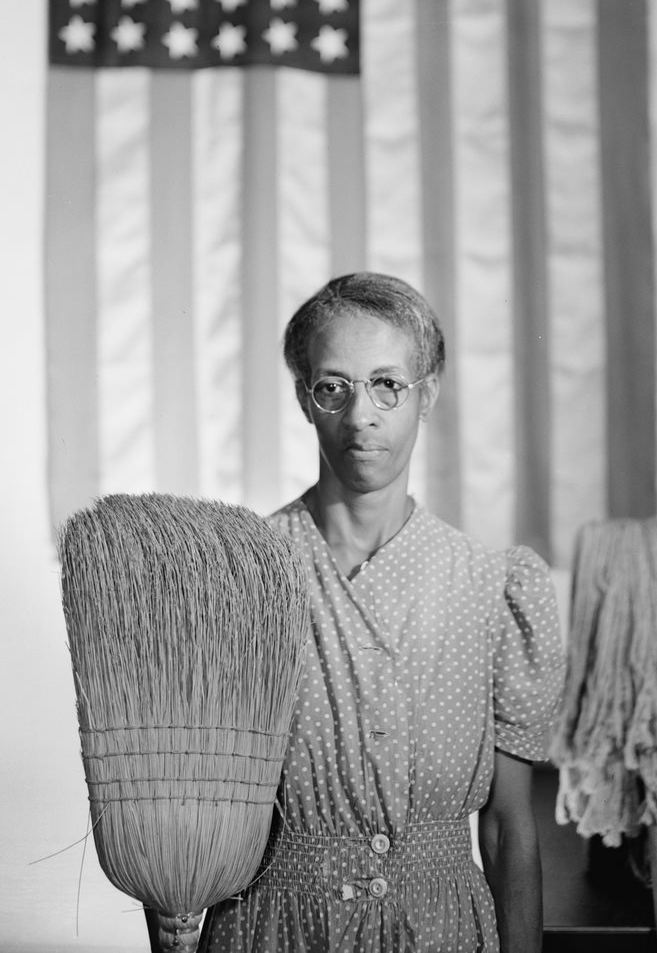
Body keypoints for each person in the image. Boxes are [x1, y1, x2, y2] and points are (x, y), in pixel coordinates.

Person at [157, 272, 564, 952]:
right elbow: (187, 816)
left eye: (387, 384)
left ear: (426, 394)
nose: (360, 415)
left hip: (442, 931)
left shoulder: (492, 587)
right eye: (332, 386)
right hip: (277, 929)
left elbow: (509, 829)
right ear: (304, 399)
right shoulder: (241, 575)